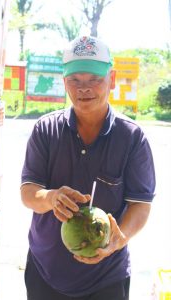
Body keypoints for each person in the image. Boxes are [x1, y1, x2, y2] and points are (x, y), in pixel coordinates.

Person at [20, 36, 156, 300]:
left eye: (94, 79)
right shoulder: (46, 130)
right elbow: (28, 192)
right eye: (75, 80)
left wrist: (120, 238)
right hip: (44, 271)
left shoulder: (132, 137)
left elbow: (141, 204)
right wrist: (51, 197)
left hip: (106, 278)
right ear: (64, 82)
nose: (85, 88)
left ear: (112, 79)